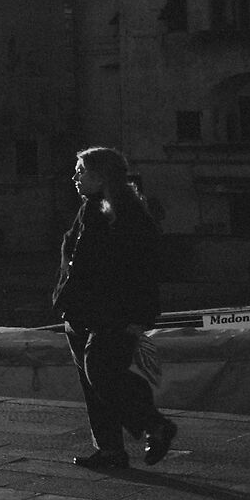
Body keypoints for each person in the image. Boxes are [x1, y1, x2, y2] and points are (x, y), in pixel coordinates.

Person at [55, 146, 176, 470]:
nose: (75, 177)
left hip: (114, 314)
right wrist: (65, 301)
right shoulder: (89, 209)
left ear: (100, 176)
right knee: (93, 382)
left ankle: (155, 425)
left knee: (102, 372)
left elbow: (142, 269)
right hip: (83, 312)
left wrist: (137, 317)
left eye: (81, 171)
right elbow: (76, 263)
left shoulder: (127, 214)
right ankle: (110, 450)